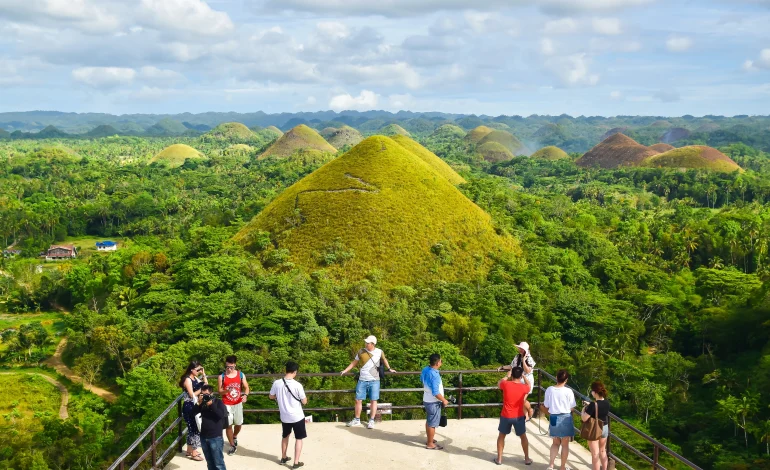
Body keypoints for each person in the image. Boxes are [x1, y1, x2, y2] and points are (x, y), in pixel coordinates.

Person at [340, 335, 396, 429]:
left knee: (373, 400)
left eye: (368, 343)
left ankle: (371, 420)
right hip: (362, 379)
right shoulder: (361, 351)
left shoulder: (379, 352)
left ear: (373, 344)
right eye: (366, 342)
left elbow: (384, 359)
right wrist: (345, 370)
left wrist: (389, 368)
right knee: (358, 400)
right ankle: (357, 419)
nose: (366, 344)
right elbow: (354, 362)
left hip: (374, 380)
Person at [269, 361, 308, 469]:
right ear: (295, 372)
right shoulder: (297, 385)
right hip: (297, 416)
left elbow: (271, 396)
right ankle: (296, 462)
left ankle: (283, 457)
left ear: (285, 370)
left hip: (284, 416)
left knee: (285, 436)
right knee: (299, 438)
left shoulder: (277, 383)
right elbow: (304, 401)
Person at [494, 366, 532, 466]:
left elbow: (499, 383)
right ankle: (527, 459)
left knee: (501, 436)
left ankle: (499, 459)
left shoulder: (506, 384)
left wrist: (507, 376)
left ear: (512, 375)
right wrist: (524, 376)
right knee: (523, 437)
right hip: (518, 416)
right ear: (520, 376)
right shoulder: (524, 387)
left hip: (506, 415)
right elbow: (529, 385)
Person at [541, 369, 577, 470]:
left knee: (555, 443)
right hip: (565, 417)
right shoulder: (569, 391)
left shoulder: (549, 389)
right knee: (565, 444)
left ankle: (551, 465)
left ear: (556, 377)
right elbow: (572, 407)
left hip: (553, 417)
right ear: (566, 380)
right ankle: (562, 467)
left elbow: (546, 405)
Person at [218, 355, 250, 455]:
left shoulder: (241, 375)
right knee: (228, 425)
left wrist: (245, 395)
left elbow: (246, 387)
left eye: (231, 367)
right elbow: (219, 391)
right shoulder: (222, 376)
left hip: (238, 403)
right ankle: (232, 445)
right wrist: (226, 390)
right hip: (226, 404)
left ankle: (234, 435)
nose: (229, 369)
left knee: (239, 423)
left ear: (235, 365)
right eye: (227, 367)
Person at [194, 384, 228, 470]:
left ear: (211, 393)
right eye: (202, 394)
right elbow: (192, 413)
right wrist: (198, 403)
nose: (204, 396)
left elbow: (220, 415)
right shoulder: (202, 403)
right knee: (209, 462)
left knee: (219, 463)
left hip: (215, 437)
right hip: (204, 436)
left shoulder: (218, 402)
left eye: (206, 394)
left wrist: (211, 405)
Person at [499, 341, 535, 420]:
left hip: (526, 380)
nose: (520, 350)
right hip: (518, 380)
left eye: (522, 349)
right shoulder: (517, 357)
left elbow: (528, 370)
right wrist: (502, 367)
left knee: (522, 399)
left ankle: (529, 410)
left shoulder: (529, 359)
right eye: (520, 348)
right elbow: (512, 366)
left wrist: (523, 360)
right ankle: (526, 417)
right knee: (520, 400)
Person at [421, 353, 449, 450]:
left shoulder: (425, 369)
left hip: (426, 399)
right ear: (437, 363)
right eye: (441, 361)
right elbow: (435, 392)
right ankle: (430, 444)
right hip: (433, 402)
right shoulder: (435, 375)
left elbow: (422, 380)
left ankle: (430, 439)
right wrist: (444, 400)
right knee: (432, 423)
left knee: (429, 421)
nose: (441, 362)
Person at [180, 360, 207, 461]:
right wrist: (202, 390)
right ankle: (194, 453)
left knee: (192, 428)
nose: (199, 371)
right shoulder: (187, 379)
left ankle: (189, 450)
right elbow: (192, 395)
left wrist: (203, 374)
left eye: (200, 369)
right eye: (198, 369)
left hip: (194, 405)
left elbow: (206, 385)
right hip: (189, 406)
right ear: (191, 370)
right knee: (194, 429)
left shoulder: (195, 378)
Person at [581, 381, 610, 470]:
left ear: (595, 392)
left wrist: (583, 410)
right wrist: (590, 405)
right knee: (602, 451)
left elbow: (584, 418)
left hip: (595, 429)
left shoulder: (593, 405)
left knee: (595, 453)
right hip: (604, 427)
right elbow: (599, 408)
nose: (591, 392)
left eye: (592, 391)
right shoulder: (606, 402)